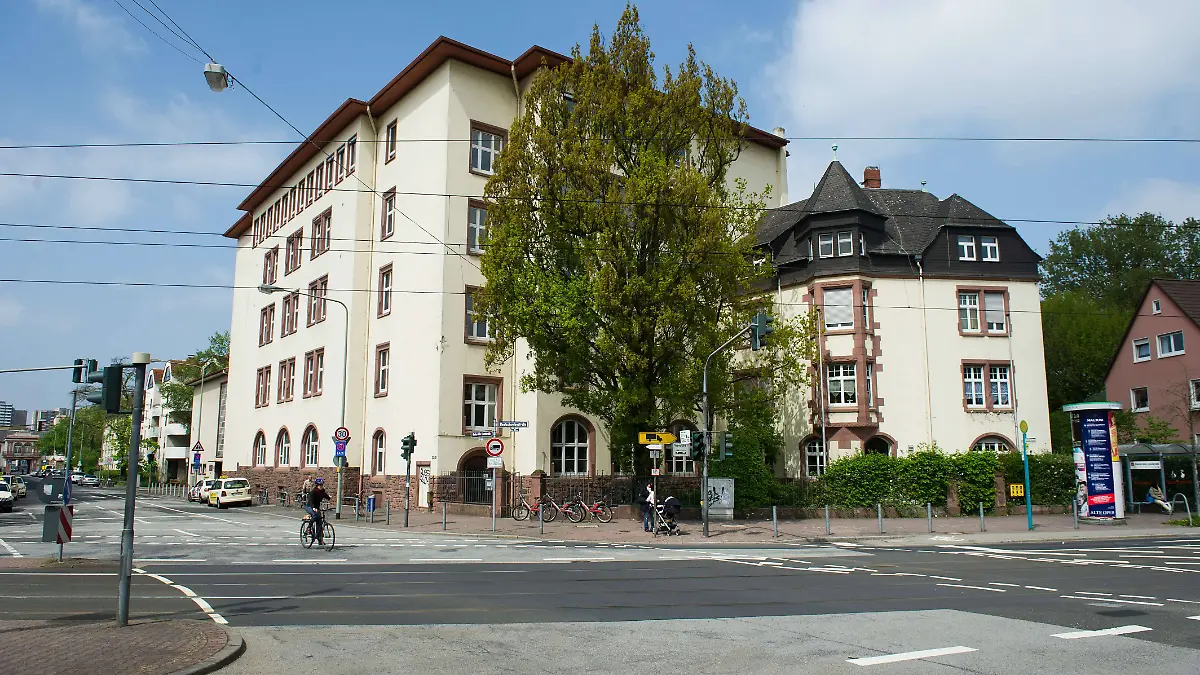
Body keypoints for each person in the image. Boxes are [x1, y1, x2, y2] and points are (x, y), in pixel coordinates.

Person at [305, 478, 330, 544]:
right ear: (317, 485)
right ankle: (308, 528)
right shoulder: (313, 492)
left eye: (322, 485)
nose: (321, 486)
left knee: (319, 521)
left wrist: (329, 498)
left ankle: (319, 538)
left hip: (316, 507)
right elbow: (310, 500)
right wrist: (313, 507)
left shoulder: (322, 491)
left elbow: (326, 496)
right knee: (315, 515)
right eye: (320, 485)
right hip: (309, 506)